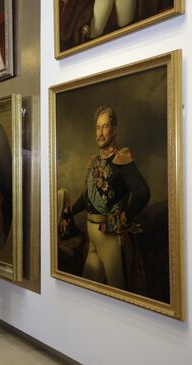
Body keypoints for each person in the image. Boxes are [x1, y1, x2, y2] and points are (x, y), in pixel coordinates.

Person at [60, 106, 150, 292]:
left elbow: (142, 192)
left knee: (119, 292)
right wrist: (70, 212)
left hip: (110, 238)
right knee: (89, 287)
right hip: (93, 238)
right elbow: (87, 198)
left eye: (105, 127)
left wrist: (124, 217)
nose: (100, 133)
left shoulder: (122, 160)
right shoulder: (94, 162)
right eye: (98, 128)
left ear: (114, 130)